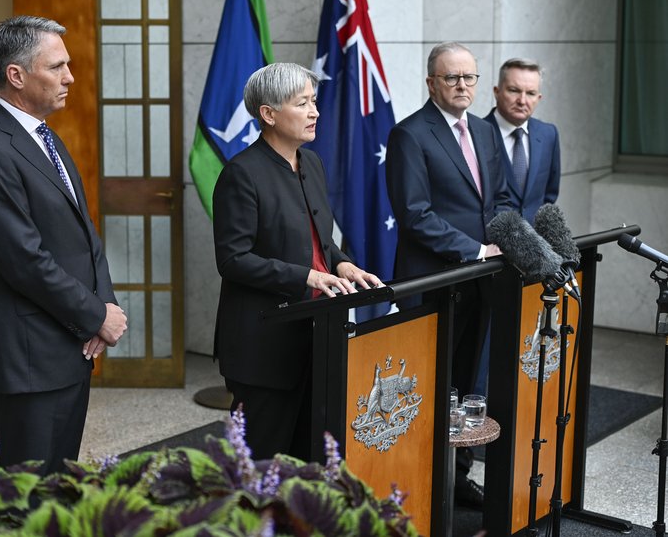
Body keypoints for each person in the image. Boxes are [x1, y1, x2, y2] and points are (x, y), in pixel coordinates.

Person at [0, 15, 127, 475]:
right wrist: (94, 315)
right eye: (56, 67)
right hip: (28, 354)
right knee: (25, 492)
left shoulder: (44, 136)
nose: (70, 76)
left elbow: (83, 233)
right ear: (16, 75)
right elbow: (24, 260)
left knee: (57, 482)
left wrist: (102, 307)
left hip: (68, 344)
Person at [212, 62, 381, 462]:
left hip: (317, 333)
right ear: (268, 114)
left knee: (311, 456)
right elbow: (233, 260)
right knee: (262, 461)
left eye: (314, 101)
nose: (315, 111)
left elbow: (320, 243)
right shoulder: (242, 173)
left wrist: (341, 265)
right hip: (264, 344)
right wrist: (306, 275)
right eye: (302, 103)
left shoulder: (312, 164)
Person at [385, 42, 511, 508]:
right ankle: (418, 482)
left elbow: (497, 199)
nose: (463, 85)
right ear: (431, 82)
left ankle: (457, 479)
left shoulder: (484, 130)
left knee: (468, 383)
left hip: (481, 282)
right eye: (452, 77)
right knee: (431, 386)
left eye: (470, 78)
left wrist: (506, 243)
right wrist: (476, 249)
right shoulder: (409, 135)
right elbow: (414, 215)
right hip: (433, 285)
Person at [484, 57, 560, 224]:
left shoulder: (549, 134)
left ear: (538, 98)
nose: (522, 101)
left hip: (535, 243)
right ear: (497, 92)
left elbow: (549, 196)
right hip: (491, 244)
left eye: (531, 93)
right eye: (514, 90)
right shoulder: (475, 134)